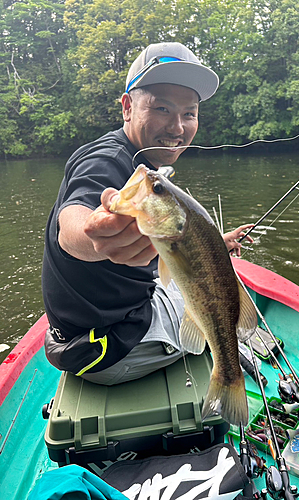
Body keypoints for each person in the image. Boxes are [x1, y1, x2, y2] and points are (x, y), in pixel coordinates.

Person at [42, 42, 253, 385]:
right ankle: (228, 370)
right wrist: (96, 238)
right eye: (162, 108)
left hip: (78, 337)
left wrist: (214, 244)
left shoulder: (136, 158)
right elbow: (73, 225)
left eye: (189, 113)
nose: (177, 127)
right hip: (107, 350)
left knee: (208, 279)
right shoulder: (107, 161)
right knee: (223, 299)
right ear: (127, 107)